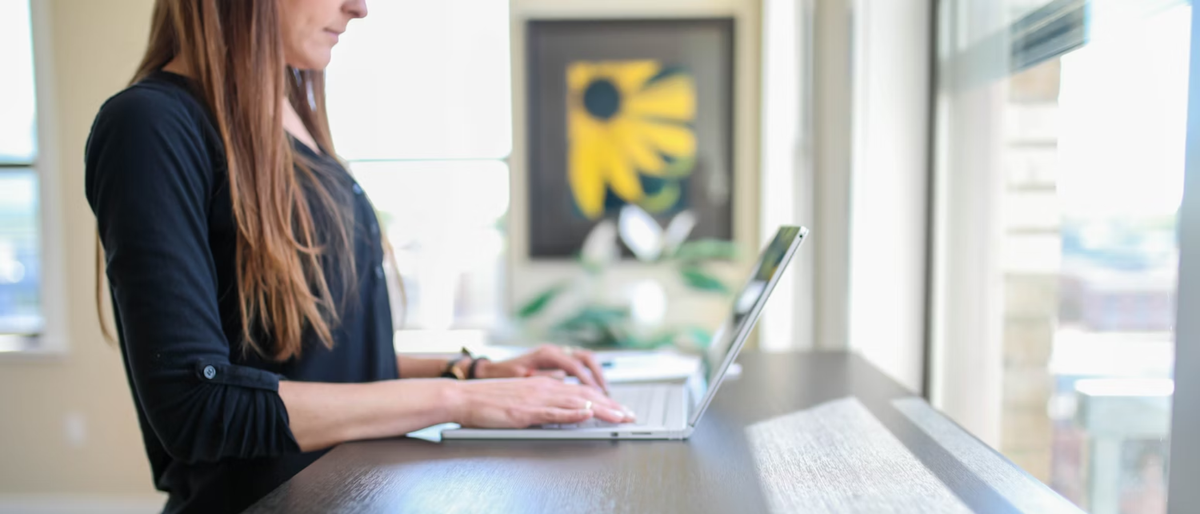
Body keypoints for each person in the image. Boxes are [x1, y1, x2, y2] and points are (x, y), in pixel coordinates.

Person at [84, 1, 634, 512]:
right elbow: (198, 406)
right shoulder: (151, 125)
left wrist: (475, 372)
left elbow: (323, 360)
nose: (360, 6)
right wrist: (455, 401)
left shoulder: (289, 117)